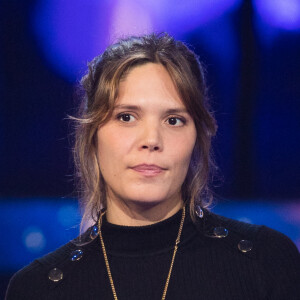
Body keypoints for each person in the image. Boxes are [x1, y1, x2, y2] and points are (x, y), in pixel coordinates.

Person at [6, 33, 300, 300]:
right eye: (126, 117)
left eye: (173, 120)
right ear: (92, 135)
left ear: (197, 137)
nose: (151, 140)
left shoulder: (265, 261)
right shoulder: (39, 289)